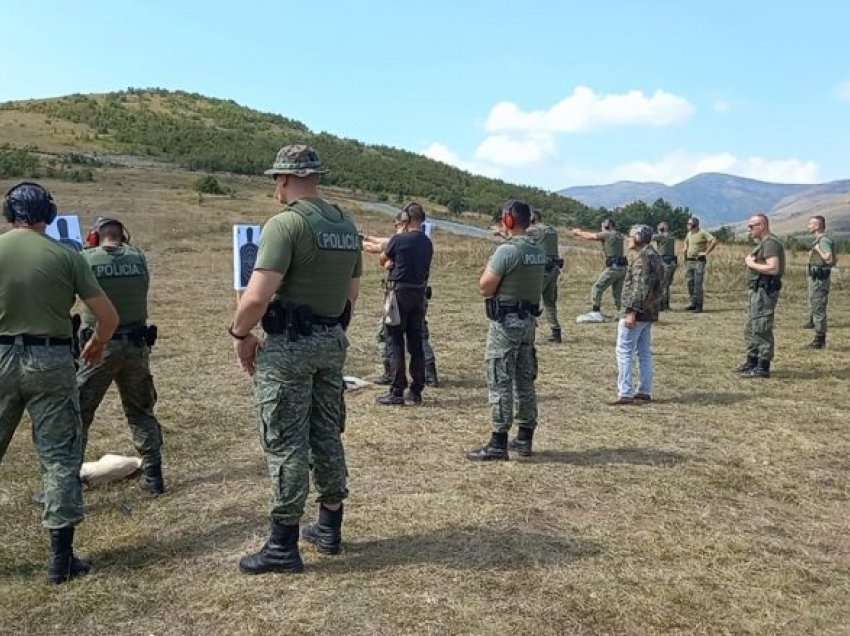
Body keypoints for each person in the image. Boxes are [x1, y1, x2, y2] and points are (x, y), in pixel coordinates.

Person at [229, 145, 361, 574]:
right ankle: (329, 527)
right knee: (327, 432)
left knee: (286, 441)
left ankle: (283, 545)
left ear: (283, 180)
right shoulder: (346, 224)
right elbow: (351, 296)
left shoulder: (285, 225)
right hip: (330, 341)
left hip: (289, 347)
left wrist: (241, 333)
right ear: (315, 177)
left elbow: (257, 295)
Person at [0, 182, 118, 584]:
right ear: (48, 215)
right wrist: (97, 346)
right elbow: (108, 317)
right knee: (60, 458)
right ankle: (61, 559)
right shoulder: (66, 256)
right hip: (51, 360)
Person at [76, 217, 165, 494]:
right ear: (123, 236)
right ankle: (153, 476)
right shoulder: (138, 257)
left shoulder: (85, 259)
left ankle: (66, 482)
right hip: (137, 346)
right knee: (141, 411)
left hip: (99, 344)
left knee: (78, 412)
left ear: (95, 237)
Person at [467, 200, 545, 461]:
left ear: (509, 220)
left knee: (500, 379)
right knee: (525, 381)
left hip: (506, 323)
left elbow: (485, 287)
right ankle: (525, 437)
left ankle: (498, 442)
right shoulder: (537, 249)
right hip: (528, 323)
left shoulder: (507, 251)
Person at [364, 213, 439, 387]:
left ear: (405, 221)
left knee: (393, 338)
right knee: (417, 338)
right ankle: (421, 381)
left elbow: (382, 253)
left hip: (398, 295)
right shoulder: (426, 242)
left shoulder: (399, 240)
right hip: (419, 294)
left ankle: (395, 380)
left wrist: (362, 243)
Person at [610, 225, 665, 405]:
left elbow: (640, 287)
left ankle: (625, 392)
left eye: (631, 236)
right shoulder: (654, 255)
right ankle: (644, 390)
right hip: (649, 311)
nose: (628, 239)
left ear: (639, 238)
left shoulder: (642, 258)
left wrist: (631, 311)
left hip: (638, 312)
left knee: (624, 351)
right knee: (643, 352)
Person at [736, 213, 785, 378]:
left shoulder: (770, 243)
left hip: (765, 291)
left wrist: (751, 263)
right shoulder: (763, 243)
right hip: (757, 291)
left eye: (752, 226)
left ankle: (763, 366)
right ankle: (752, 360)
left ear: (762, 226)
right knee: (752, 326)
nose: (749, 230)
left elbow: (774, 268)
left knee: (762, 326)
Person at [572, 219, 627, 316]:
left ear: (607, 226)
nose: (601, 230)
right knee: (618, 293)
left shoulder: (608, 234)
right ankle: (623, 313)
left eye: (602, 227)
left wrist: (578, 232)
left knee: (597, 288)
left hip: (613, 268)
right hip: (622, 268)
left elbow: (591, 236)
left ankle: (596, 312)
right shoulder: (619, 235)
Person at [529, 209, 564, 343]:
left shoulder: (535, 230)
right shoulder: (551, 230)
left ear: (533, 218)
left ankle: (529, 332)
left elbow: (516, 237)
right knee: (549, 302)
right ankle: (556, 333)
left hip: (542, 270)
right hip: (554, 269)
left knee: (530, 300)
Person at [802, 215, 835, 349]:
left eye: (811, 224)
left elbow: (829, 258)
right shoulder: (822, 240)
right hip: (817, 277)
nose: (808, 226)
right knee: (815, 305)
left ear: (817, 226)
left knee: (818, 307)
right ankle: (818, 336)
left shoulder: (823, 241)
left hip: (819, 280)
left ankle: (819, 340)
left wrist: (818, 250)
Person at [681, 217, 717, 312]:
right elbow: (685, 241)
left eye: (690, 223)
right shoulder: (689, 233)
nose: (688, 225)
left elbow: (714, 241)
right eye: (688, 223)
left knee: (698, 283)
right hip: (689, 260)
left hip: (699, 261)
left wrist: (706, 252)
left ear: (695, 225)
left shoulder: (702, 232)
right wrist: (685, 248)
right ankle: (693, 303)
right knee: (690, 283)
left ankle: (699, 306)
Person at [654, 222, 677, 311]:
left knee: (662, 285)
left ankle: (662, 306)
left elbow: (649, 237)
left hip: (664, 262)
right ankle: (666, 305)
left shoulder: (662, 236)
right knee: (666, 285)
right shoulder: (671, 236)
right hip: (671, 262)